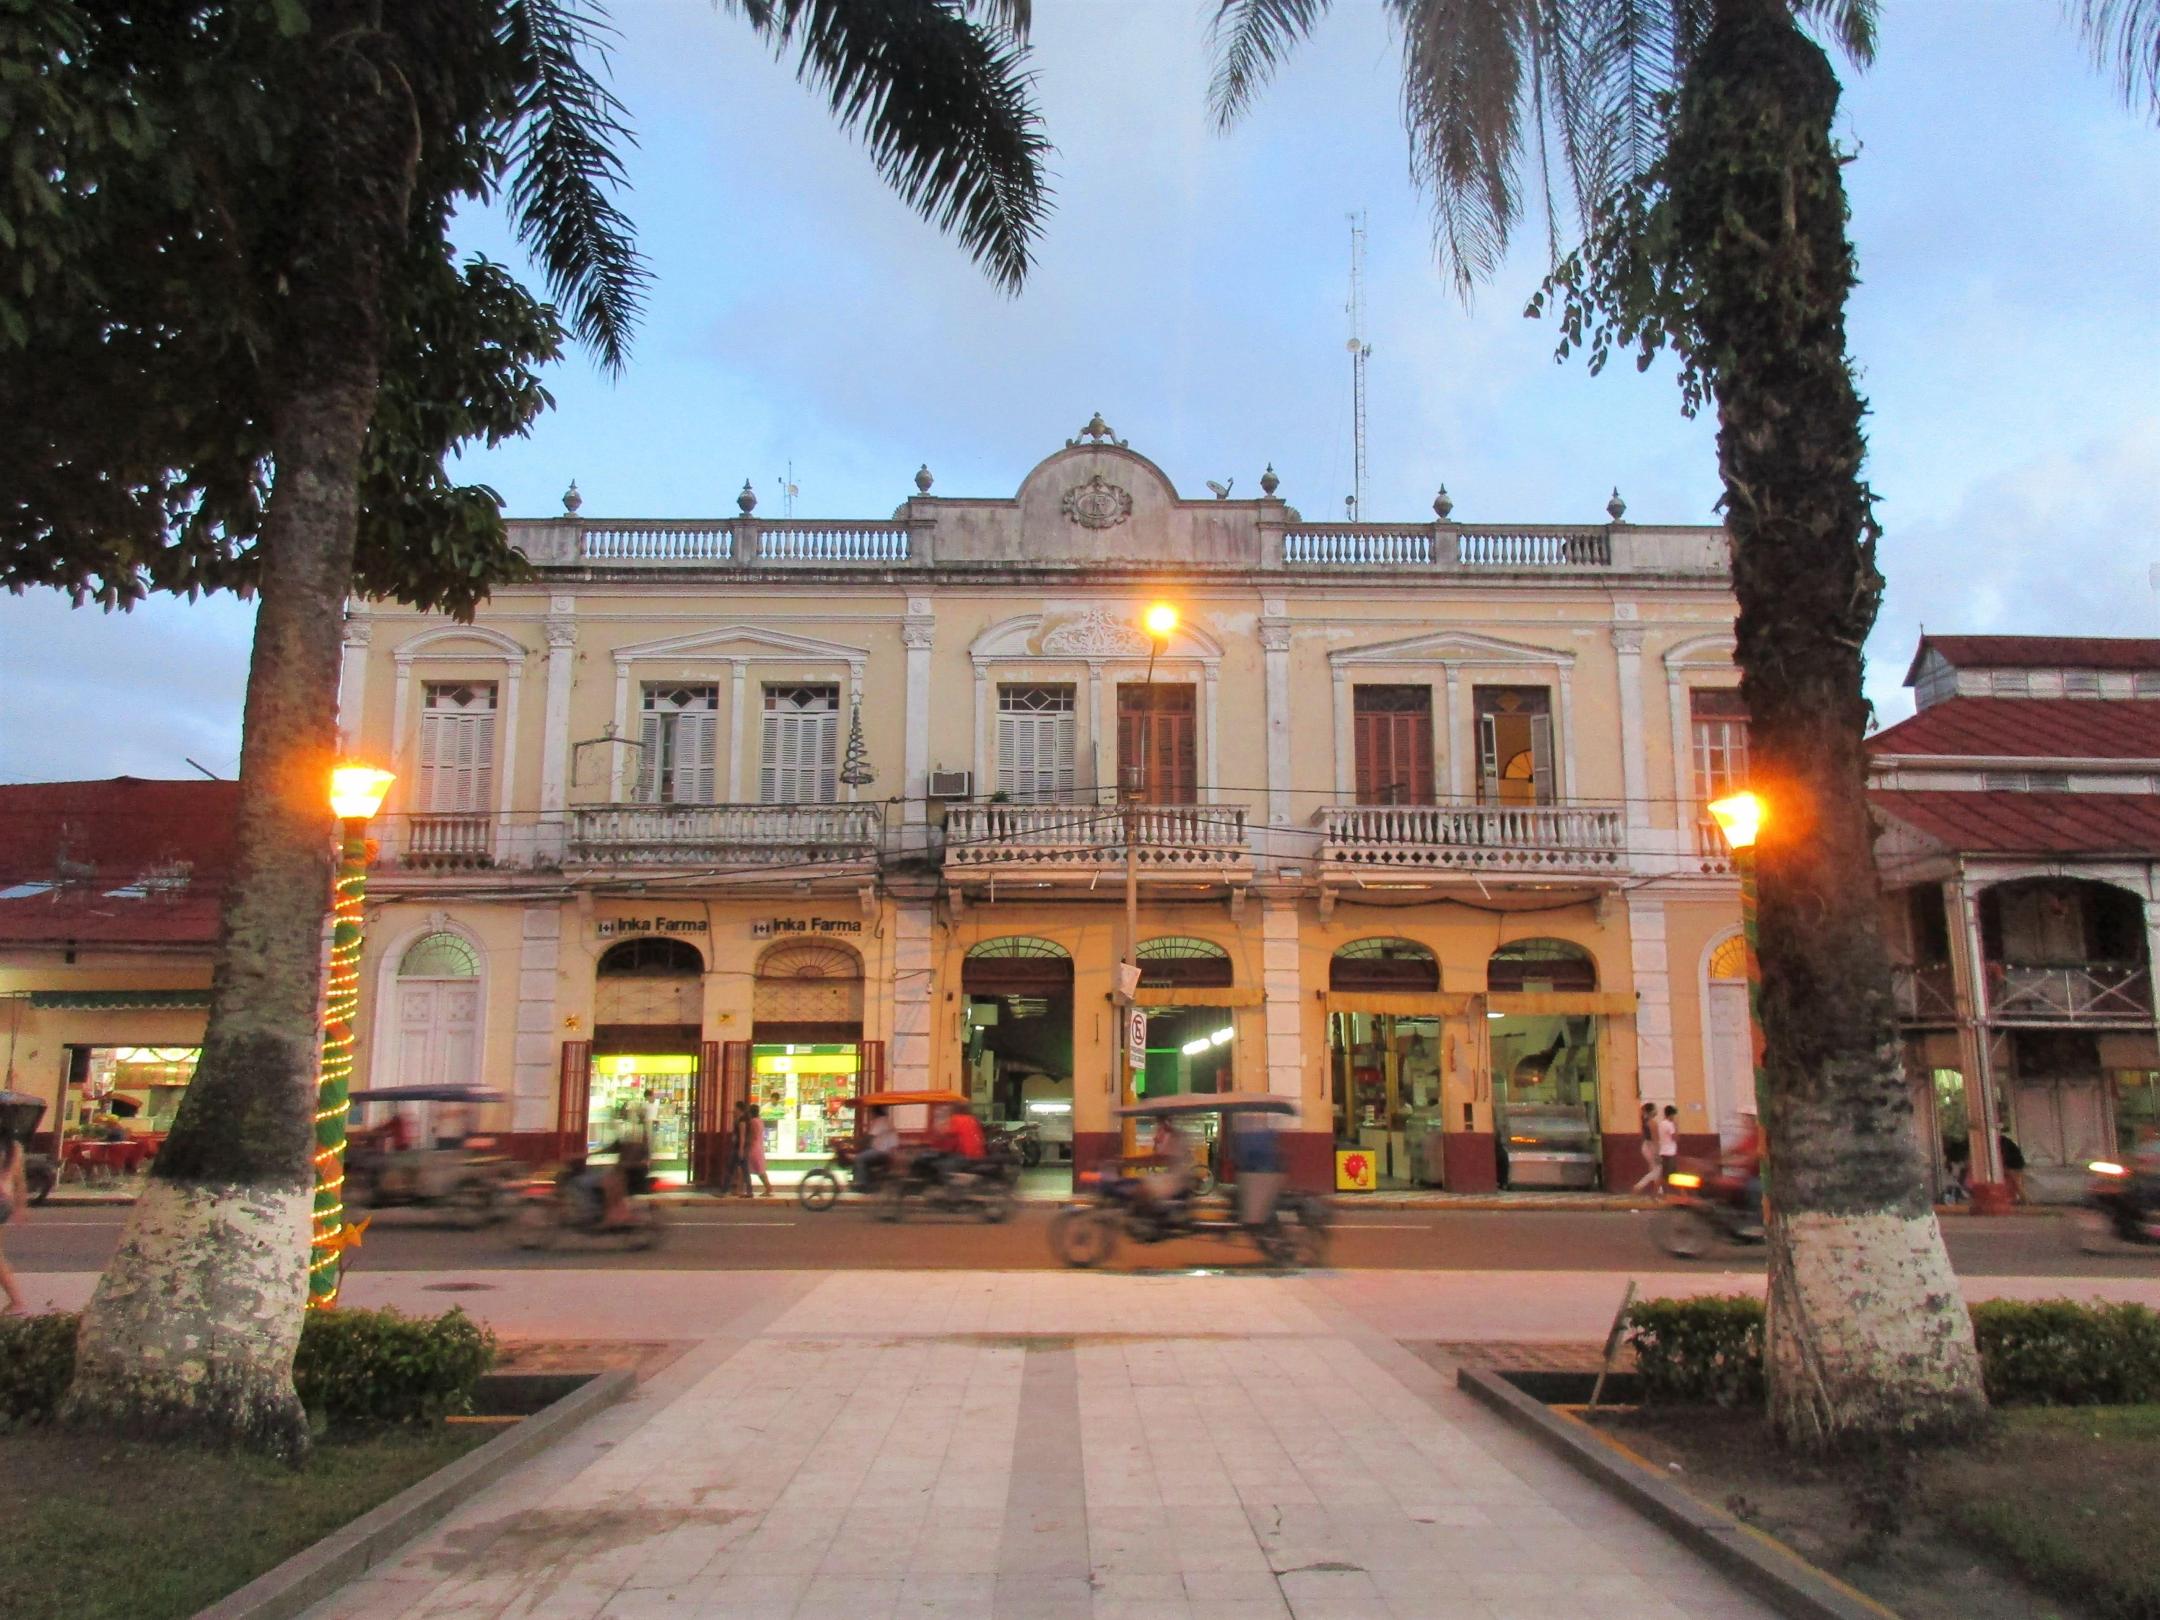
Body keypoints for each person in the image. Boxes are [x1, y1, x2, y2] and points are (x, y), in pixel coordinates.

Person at [1230, 1112, 1285, 1230]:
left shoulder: (1246, 1136)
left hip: (1256, 1172)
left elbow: (1241, 1157)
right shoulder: (1266, 1134)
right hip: (1267, 1171)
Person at [0, 1113, 27, 1314]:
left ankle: (17, 1302)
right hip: (5, 1201)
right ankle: (16, 1301)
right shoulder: (15, 1147)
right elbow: (20, 1181)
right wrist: (20, 1207)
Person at [856, 1105, 899, 1189]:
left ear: (875, 1112)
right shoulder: (887, 1121)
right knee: (865, 1155)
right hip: (887, 1152)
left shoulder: (880, 1121)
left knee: (860, 1158)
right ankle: (867, 1180)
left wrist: (858, 1142)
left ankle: (862, 1183)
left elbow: (870, 1137)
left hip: (881, 1152)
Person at [1629, 1102, 1661, 1194]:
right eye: (1655, 1109)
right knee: (1658, 1170)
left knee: (1654, 1169)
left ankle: (1659, 1191)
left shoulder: (1646, 1123)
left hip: (1646, 1146)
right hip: (1651, 1147)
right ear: (1651, 1111)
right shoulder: (1653, 1123)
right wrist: (1657, 1153)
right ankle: (1639, 1186)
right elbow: (1655, 1139)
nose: (1656, 1110)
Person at [741, 1107, 772, 1197]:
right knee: (760, 1169)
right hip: (759, 1146)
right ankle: (768, 1187)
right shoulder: (760, 1121)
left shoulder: (753, 1122)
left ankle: (748, 1190)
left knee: (748, 1169)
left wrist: (745, 1144)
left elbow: (752, 1135)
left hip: (753, 1147)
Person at [1657, 1105, 1680, 1189]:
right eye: (1674, 1115)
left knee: (1666, 1174)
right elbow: (1676, 1138)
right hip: (1670, 1153)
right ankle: (1657, 1193)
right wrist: (1676, 1126)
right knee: (1670, 1175)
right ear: (1671, 1115)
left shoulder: (1661, 1124)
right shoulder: (1670, 1125)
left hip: (1663, 1151)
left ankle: (1657, 1193)